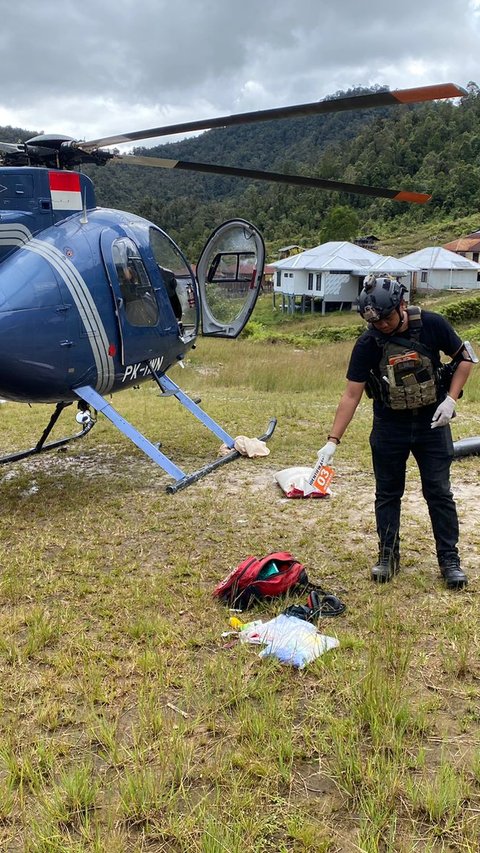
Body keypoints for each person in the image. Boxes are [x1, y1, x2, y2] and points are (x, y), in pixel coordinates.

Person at [318, 274, 476, 589]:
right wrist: (332, 441)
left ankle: (449, 561)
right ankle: (388, 556)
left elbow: (466, 359)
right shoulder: (368, 342)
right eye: (375, 323)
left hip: (433, 422)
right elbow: (351, 394)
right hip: (390, 424)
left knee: (439, 493)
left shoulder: (433, 324)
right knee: (387, 493)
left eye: (387, 319)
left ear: (401, 305)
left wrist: (450, 399)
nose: (383, 326)